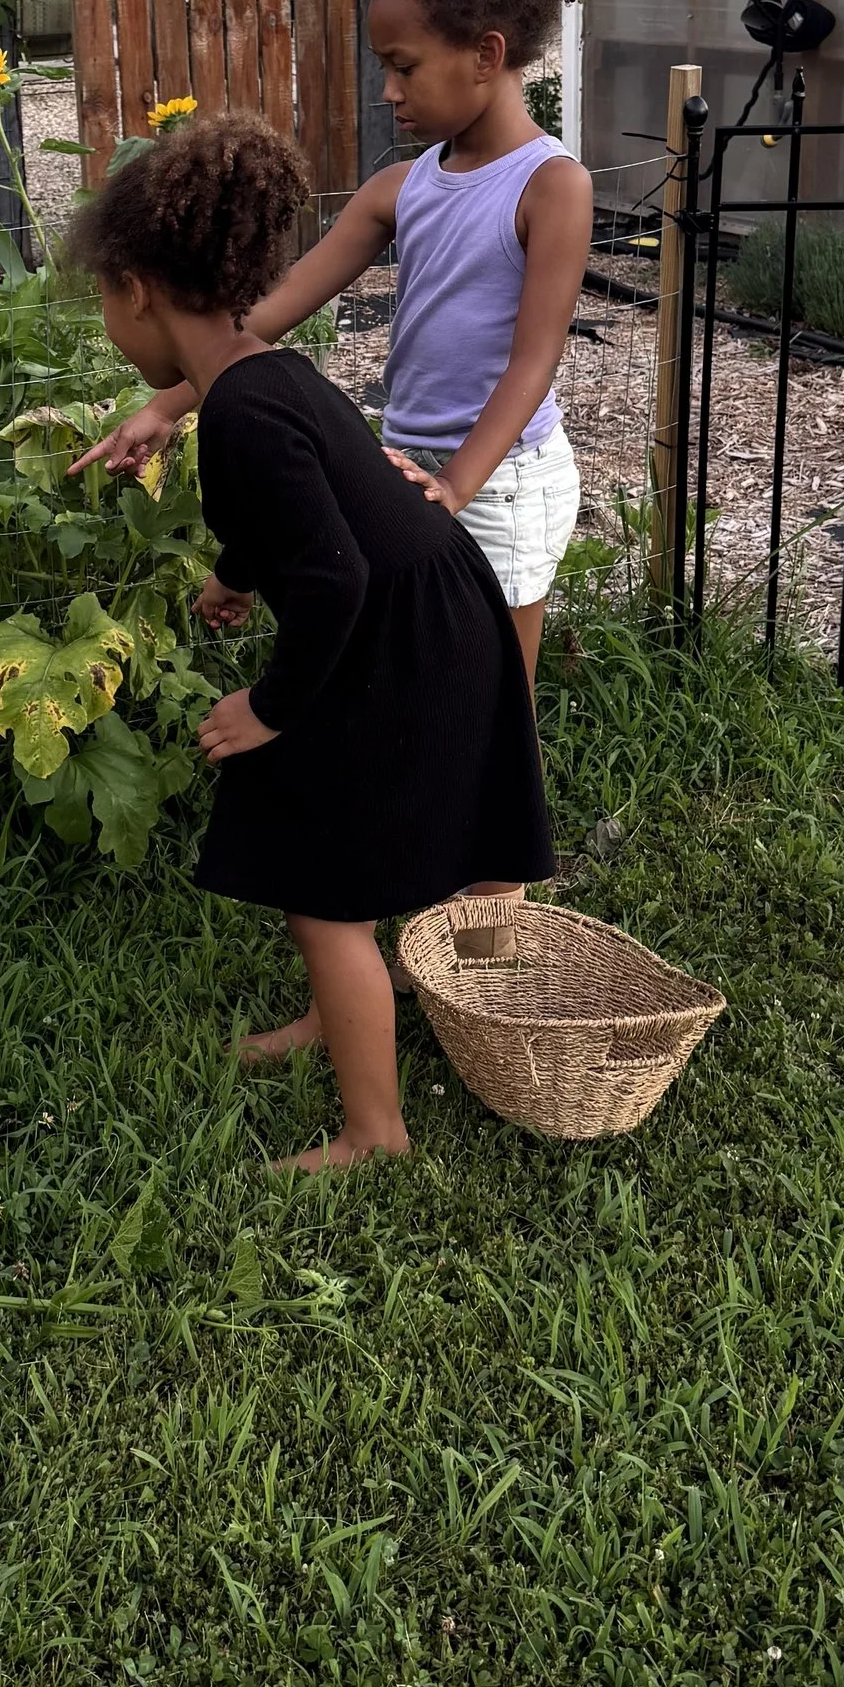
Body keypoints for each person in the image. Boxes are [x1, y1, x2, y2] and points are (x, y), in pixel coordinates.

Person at [71, 110, 553, 1172]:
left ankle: (375, 1133)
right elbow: (297, 516)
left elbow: (331, 575)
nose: (110, 322)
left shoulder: (238, 409)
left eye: (104, 301)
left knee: (332, 890)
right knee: (305, 838)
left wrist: (269, 706)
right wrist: (237, 578)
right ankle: (333, 1020)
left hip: (398, 638)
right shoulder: (256, 376)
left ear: (138, 291)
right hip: (420, 613)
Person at [76, 0, 595, 688]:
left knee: (494, 691)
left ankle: (504, 817)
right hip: (406, 466)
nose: (388, 91)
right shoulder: (400, 188)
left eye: (404, 66)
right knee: (413, 679)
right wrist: (167, 406)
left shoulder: (551, 187)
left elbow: (535, 361)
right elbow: (269, 313)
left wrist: (459, 484)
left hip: (500, 479)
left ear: (486, 55)